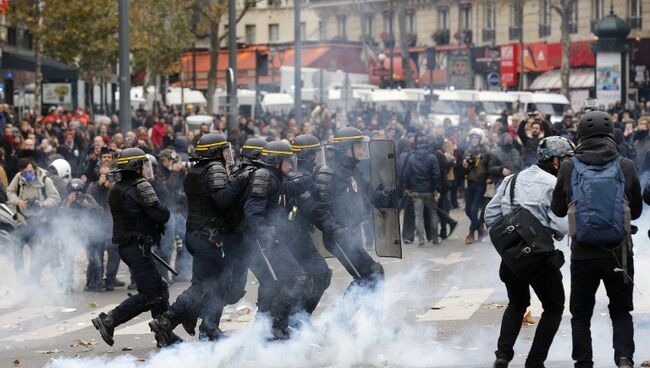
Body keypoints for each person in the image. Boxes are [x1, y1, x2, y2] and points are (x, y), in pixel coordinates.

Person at [551, 111, 642, 368]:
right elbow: (635, 211)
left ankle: (584, 363)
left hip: (583, 254)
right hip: (619, 252)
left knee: (580, 315)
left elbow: (558, 209)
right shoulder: (625, 165)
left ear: (580, 135)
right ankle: (624, 359)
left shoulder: (569, 166)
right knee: (621, 311)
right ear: (611, 133)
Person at [486, 136, 575, 368]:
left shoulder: (512, 180)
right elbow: (561, 226)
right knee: (554, 307)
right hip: (540, 258)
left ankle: (503, 355)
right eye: (567, 160)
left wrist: (512, 235)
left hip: (512, 257)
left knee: (516, 304)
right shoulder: (553, 184)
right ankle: (535, 362)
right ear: (556, 162)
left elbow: (490, 215)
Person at [149, 134, 242, 346]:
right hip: (208, 236)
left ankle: (209, 327)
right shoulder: (214, 169)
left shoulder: (196, 169)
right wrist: (239, 181)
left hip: (199, 233)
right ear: (214, 152)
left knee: (217, 285)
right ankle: (167, 320)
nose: (227, 153)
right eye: (223, 150)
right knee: (201, 286)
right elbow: (223, 199)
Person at [92, 148, 171, 347]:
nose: (145, 168)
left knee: (159, 289)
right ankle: (109, 320)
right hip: (136, 246)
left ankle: (164, 334)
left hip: (129, 246)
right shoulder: (139, 186)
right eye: (143, 164)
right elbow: (160, 214)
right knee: (151, 294)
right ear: (136, 166)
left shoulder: (118, 187)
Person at [312, 127, 385, 290]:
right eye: (358, 146)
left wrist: (386, 195)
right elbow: (319, 209)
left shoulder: (353, 172)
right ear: (347, 148)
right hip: (338, 237)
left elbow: (368, 194)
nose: (362, 150)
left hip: (352, 233)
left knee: (374, 274)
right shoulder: (328, 173)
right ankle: (342, 316)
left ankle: (360, 315)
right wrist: (336, 230)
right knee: (369, 276)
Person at [283, 133, 332, 315]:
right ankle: (289, 321)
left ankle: (299, 319)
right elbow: (311, 208)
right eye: (316, 153)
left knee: (321, 275)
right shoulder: (297, 178)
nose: (319, 157)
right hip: (290, 237)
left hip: (301, 235)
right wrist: (330, 225)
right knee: (299, 281)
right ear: (308, 155)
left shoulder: (309, 175)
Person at [6, 158, 61, 276]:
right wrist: (18, 201)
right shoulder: (18, 177)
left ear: (35, 169)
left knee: (36, 253)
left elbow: (56, 198)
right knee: (16, 250)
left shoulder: (45, 180)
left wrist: (43, 203)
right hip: (21, 222)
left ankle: (33, 281)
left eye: (30, 171)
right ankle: (21, 279)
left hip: (38, 223)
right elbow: (9, 191)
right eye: (25, 172)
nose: (28, 174)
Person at [401, 135, 442, 246]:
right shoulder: (432, 157)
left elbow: (406, 174)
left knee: (418, 215)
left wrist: (406, 187)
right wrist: (437, 189)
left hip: (416, 191)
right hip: (429, 191)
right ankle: (435, 238)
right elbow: (436, 175)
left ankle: (421, 240)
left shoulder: (411, 158)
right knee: (433, 214)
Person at [462, 128, 495, 244]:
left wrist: (490, 177)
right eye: (472, 137)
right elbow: (463, 170)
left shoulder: (487, 152)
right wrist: (464, 167)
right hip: (470, 183)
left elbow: (491, 166)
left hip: (481, 184)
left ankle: (471, 233)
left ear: (480, 139)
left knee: (474, 209)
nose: (473, 140)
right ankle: (480, 228)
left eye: (476, 137)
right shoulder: (467, 152)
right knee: (467, 210)